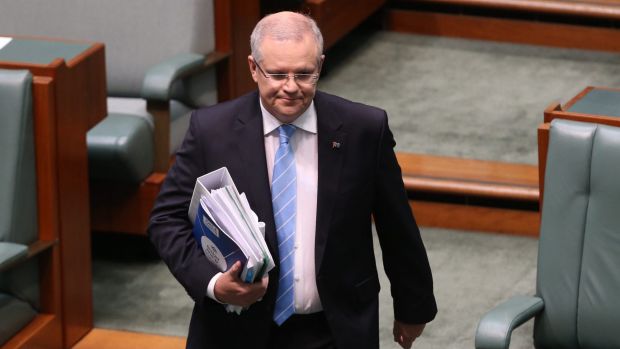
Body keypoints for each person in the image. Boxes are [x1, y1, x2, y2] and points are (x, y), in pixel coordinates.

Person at [148, 11, 437, 349]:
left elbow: (397, 226)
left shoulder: (363, 129)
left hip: (334, 329)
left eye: (304, 74)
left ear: (320, 66)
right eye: (277, 74)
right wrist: (212, 283)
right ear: (253, 68)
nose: (290, 88)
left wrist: (412, 307)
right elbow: (166, 219)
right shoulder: (212, 131)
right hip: (235, 330)